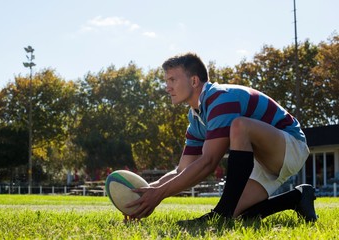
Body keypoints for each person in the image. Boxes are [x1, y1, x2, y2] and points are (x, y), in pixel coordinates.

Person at [126, 52, 317, 224]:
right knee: (240, 216)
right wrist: (146, 192)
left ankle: (221, 213)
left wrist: (158, 195)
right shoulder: (195, 117)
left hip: (290, 146)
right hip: (262, 160)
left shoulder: (220, 99)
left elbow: (208, 162)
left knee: (240, 126)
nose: (167, 87)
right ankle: (298, 197)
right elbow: (183, 170)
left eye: (172, 80)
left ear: (194, 81)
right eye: (166, 81)